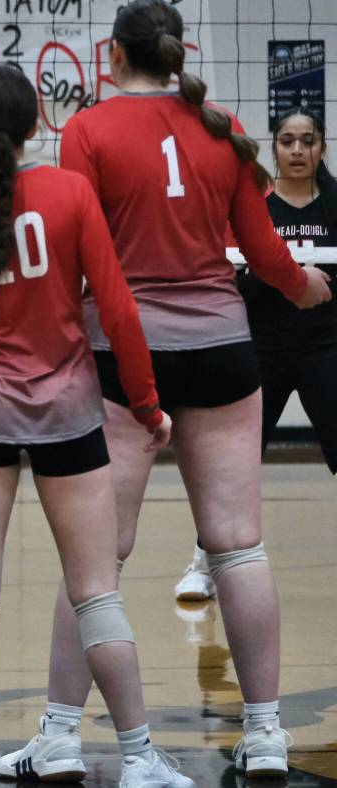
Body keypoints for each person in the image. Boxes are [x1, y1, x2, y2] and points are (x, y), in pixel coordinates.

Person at [17, 1, 332, 782]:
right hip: (223, 350)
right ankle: (265, 735)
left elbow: (75, 249)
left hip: (127, 357)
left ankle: (60, 733)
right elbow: (264, 253)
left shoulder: (86, 129)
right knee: (238, 543)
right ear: (177, 52)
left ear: (115, 52)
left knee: (99, 556)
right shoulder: (220, 125)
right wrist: (306, 289)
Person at [0, 64, 191, 788]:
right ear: (39, 124)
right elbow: (118, 308)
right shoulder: (72, 194)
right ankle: (137, 760)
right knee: (96, 591)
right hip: (69, 408)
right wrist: (147, 403)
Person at [175, 107, 337, 601]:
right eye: (287, 141)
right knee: (234, 464)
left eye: (306, 141)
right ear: (274, 148)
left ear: (321, 149)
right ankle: (204, 563)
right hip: (263, 350)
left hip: (325, 350)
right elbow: (239, 280)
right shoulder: (257, 209)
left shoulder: (334, 205)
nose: (296, 150)